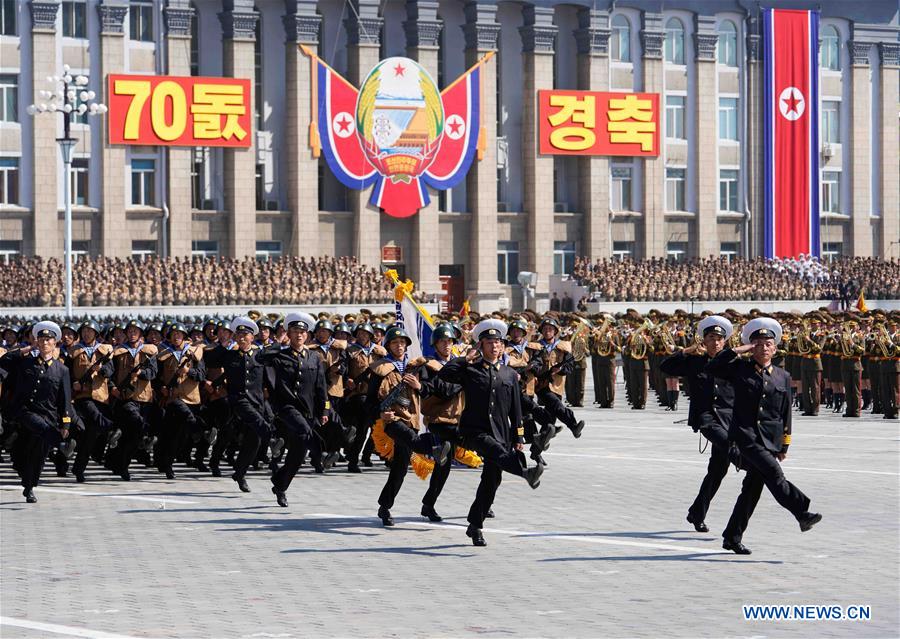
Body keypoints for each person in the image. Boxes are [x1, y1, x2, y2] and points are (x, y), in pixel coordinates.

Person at [707, 317, 822, 554]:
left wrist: (784, 445)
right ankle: (801, 512)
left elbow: (786, 412)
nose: (763, 348)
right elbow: (714, 366)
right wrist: (738, 350)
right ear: (751, 347)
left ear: (775, 348)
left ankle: (732, 537)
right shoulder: (740, 369)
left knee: (751, 490)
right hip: (745, 437)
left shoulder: (782, 376)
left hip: (770, 439)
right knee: (774, 473)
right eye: (757, 344)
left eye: (768, 344)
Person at [439, 319, 544, 546]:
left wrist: (518, 436)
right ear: (481, 345)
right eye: (489, 342)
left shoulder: (509, 374)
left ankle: (475, 525)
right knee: (495, 451)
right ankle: (525, 472)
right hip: (475, 430)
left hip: (501, 432)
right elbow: (445, 374)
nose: (494, 346)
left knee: (491, 480)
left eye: (498, 343)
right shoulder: (471, 369)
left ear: (502, 345)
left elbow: (516, 409)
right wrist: (465, 358)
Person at [659, 315, 736, 534]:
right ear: (704, 340)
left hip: (727, 420)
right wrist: (686, 350)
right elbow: (665, 366)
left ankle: (696, 513)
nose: (715, 342)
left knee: (717, 471)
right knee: (732, 448)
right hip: (706, 419)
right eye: (711, 338)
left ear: (724, 341)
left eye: (719, 339)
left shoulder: (732, 363)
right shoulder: (695, 361)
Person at [370, 326, 450, 527]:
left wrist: (418, 386)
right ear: (388, 345)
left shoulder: (417, 367)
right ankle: (434, 445)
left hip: (412, 419)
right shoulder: (380, 368)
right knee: (415, 442)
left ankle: (384, 506)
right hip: (392, 420)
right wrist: (380, 414)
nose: (399, 346)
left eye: (402, 342)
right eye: (395, 342)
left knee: (400, 468)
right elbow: (369, 401)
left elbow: (429, 391)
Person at [0, 322, 75, 503]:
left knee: (38, 458)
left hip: (48, 416)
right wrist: (28, 348)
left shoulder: (62, 370)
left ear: (55, 343)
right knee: (20, 454)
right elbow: (4, 360)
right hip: (24, 414)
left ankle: (29, 487)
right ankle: (61, 444)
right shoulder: (25, 363)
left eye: (48, 340)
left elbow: (65, 399)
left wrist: (65, 424)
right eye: (41, 339)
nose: (44, 343)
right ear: (36, 342)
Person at [261, 312, 328, 507]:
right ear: (288, 334)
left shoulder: (314, 357)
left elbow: (321, 386)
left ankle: (280, 485)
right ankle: (322, 453)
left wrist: (324, 410)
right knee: (305, 431)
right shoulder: (279, 355)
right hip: (287, 407)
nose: (299, 335)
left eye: (302, 332)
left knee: (297, 456)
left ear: (307, 335)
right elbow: (261, 356)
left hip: (308, 410)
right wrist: (278, 342)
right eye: (294, 331)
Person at [67, 320, 117, 482]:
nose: (86, 334)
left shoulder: (105, 350)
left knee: (89, 437)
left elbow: (110, 370)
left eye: (90, 331)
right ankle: (112, 429)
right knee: (95, 415)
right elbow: (67, 372)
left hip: (101, 395)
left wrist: (101, 370)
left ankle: (78, 469)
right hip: (82, 396)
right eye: (84, 331)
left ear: (96, 333)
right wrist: (74, 383)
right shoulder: (73, 351)